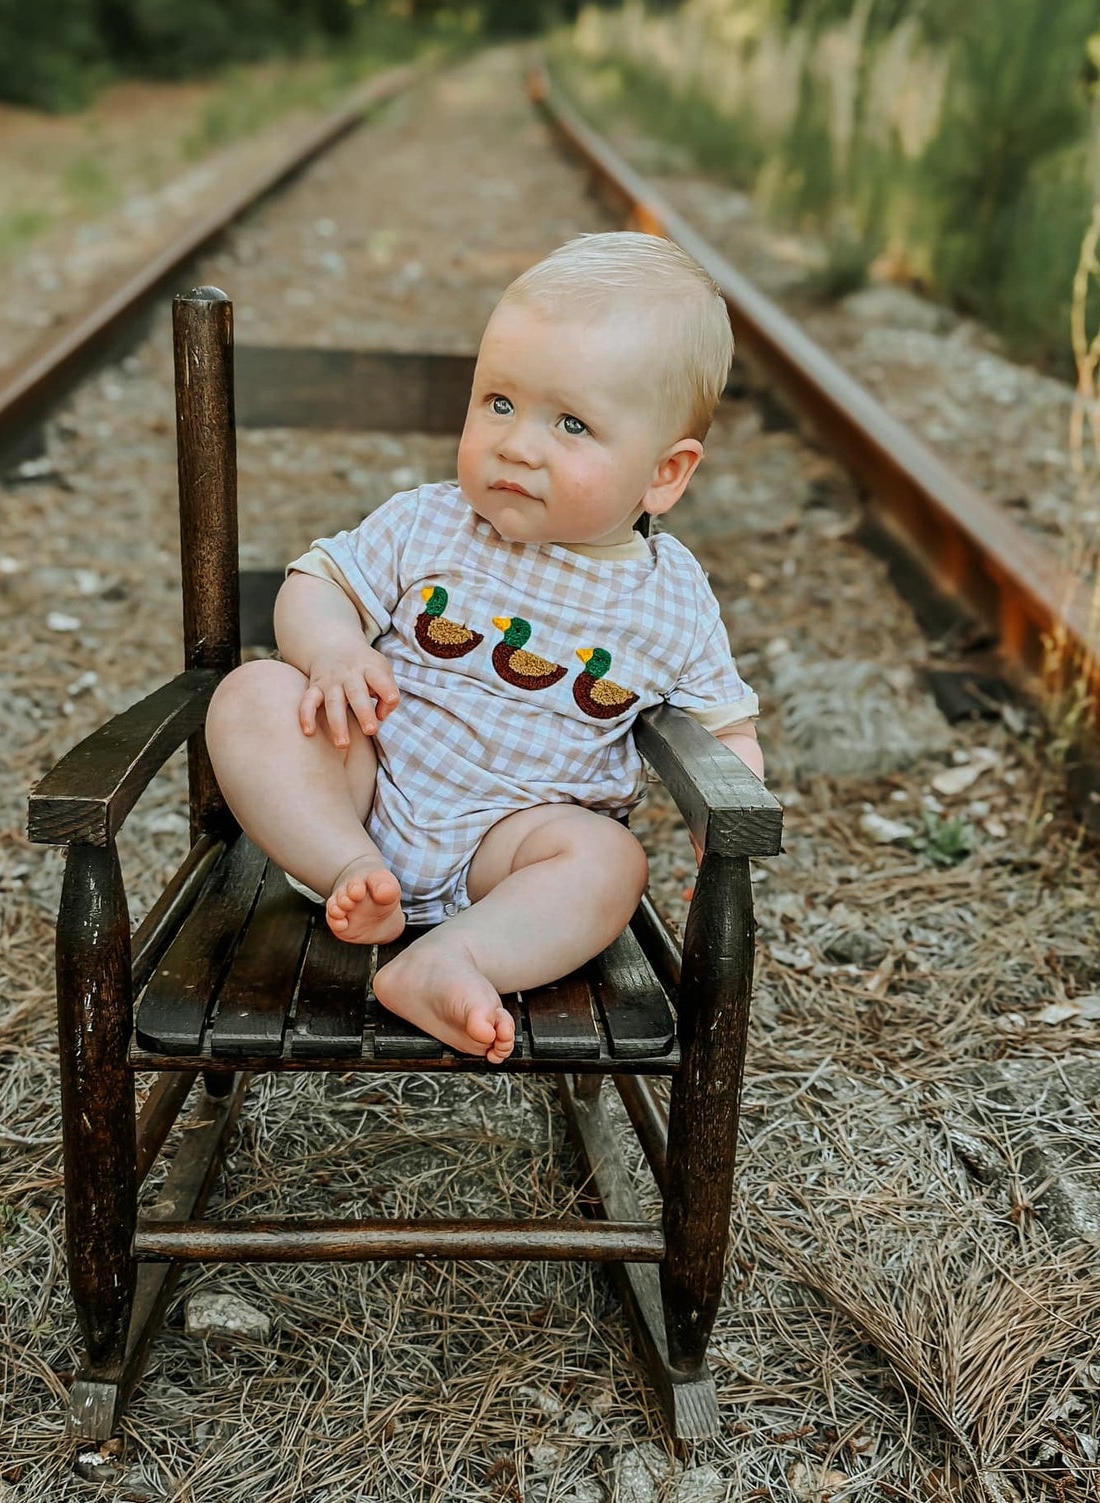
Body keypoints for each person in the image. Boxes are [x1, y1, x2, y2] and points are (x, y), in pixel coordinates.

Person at [206, 232, 762, 1064]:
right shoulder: (429, 520)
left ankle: (455, 958)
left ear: (664, 474)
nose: (516, 442)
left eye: (570, 423)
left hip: (508, 854)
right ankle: (354, 872)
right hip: (361, 790)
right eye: (498, 402)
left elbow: (724, 730)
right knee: (251, 693)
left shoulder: (670, 598)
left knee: (608, 859)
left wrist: (724, 809)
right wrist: (329, 649)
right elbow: (316, 580)